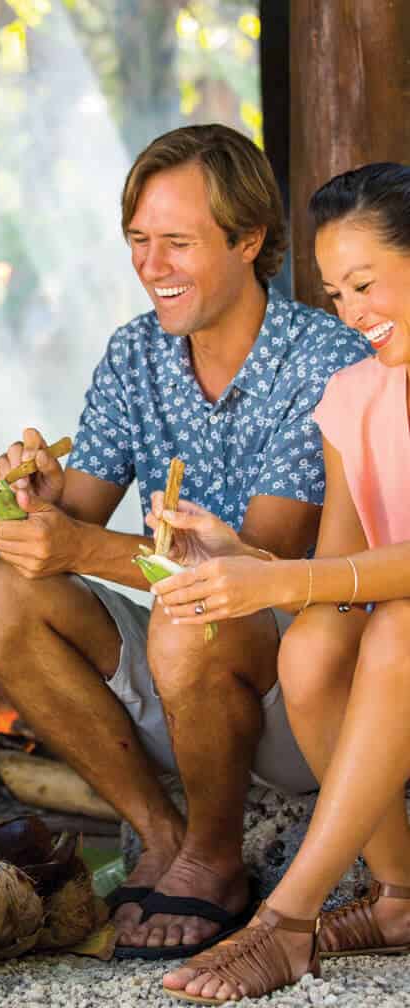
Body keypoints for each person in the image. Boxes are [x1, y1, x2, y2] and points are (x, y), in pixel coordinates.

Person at [0, 123, 370, 959]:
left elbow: (252, 567)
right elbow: (74, 512)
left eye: (177, 242)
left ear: (248, 240)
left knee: (192, 613)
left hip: (300, 681)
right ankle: (160, 831)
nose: (151, 266)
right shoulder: (135, 352)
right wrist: (32, 498)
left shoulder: (320, 356)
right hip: (194, 649)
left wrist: (75, 546)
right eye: (138, 241)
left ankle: (217, 857)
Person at [152, 162, 410, 1001]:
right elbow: (335, 574)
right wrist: (239, 560)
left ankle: (288, 917)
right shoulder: (353, 399)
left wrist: (277, 583)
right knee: (311, 652)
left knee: (397, 629)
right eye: (336, 294)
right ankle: (402, 897)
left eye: (365, 284)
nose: (352, 313)